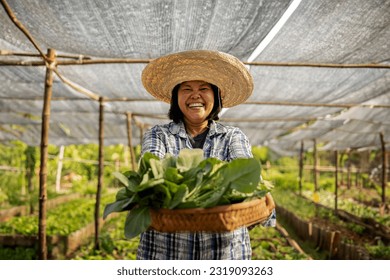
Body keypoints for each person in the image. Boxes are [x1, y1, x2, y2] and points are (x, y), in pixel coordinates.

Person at [137, 50, 276, 260]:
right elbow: (152, 173)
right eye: (186, 89)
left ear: (216, 97)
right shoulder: (158, 135)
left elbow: (245, 174)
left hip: (224, 253)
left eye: (204, 88)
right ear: (176, 97)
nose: (195, 95)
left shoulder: (232, 137)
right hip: (167, 252)